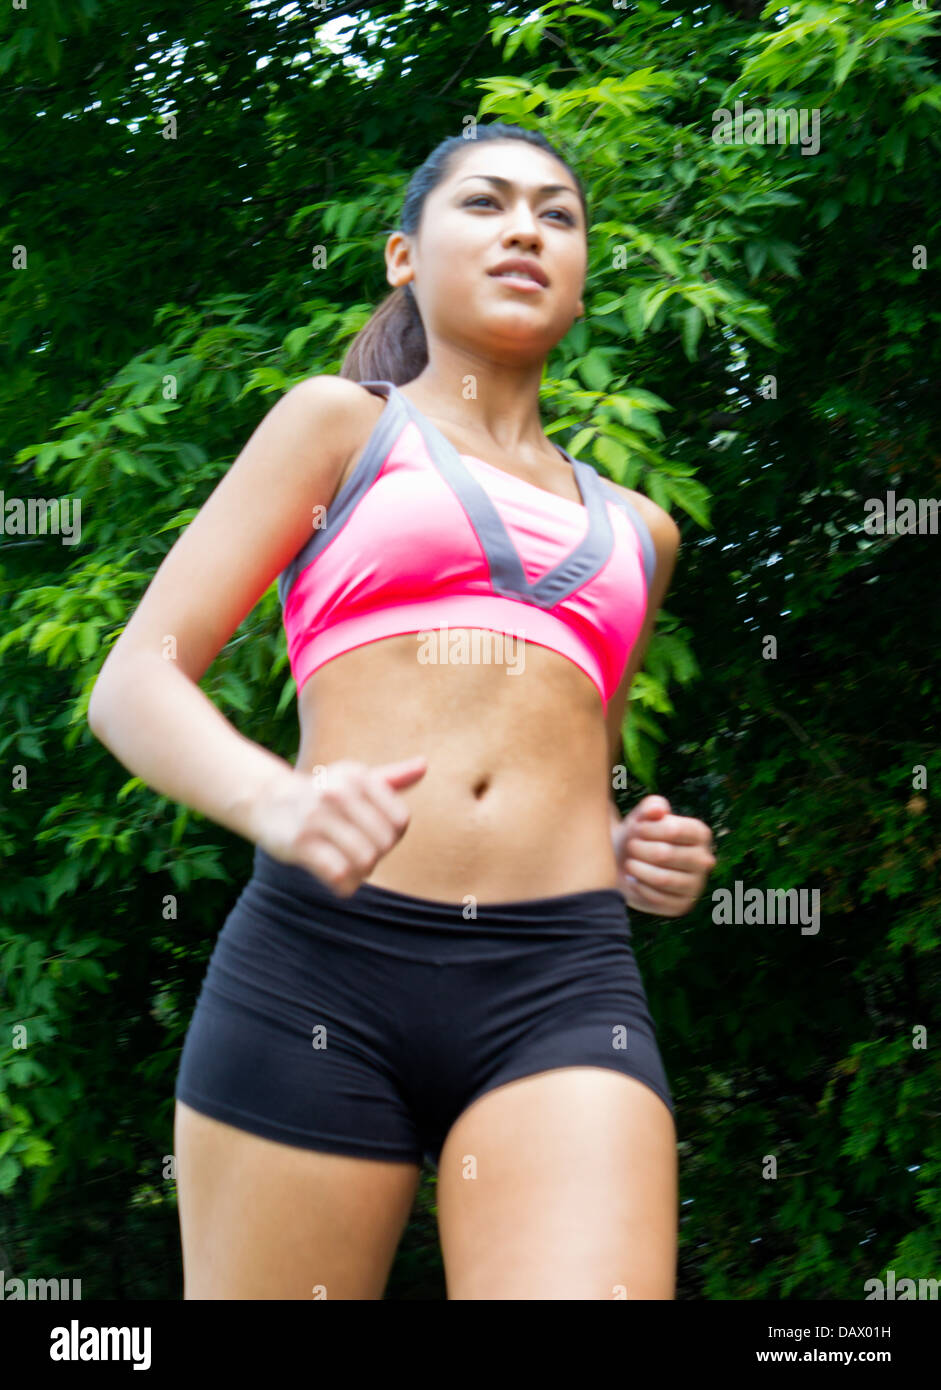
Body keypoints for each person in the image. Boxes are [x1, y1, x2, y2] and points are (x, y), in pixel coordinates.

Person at [88, 121, 716, 1300]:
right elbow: (131, 683)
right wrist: (273, 798)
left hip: (560, 985)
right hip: (319, 966)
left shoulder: (642, 530)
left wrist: (624, 845)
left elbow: (567, 757)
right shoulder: (340, 426)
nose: (525, 227)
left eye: (557, 214)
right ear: (402, 258)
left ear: (582, 279)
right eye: (483, 203)